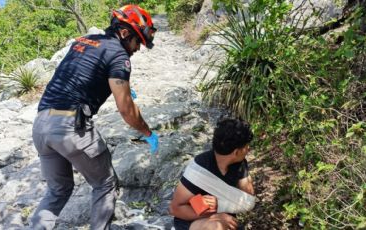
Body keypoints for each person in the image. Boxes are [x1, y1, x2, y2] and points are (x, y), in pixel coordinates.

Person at [30, 4, 158, 230]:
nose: (137, 48)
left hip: (41, 125)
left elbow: (80, 75)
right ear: (125, 32)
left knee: (58, 190)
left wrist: (116, 87)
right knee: (105, 183)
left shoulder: (83, 41)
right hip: (71, 127)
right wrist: (147, 132)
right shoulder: (119, 55)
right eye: (138, 41)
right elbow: (127, 110)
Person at [169, 118, 255, 230]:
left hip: (224, 217)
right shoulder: (200, 168)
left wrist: (220, 205)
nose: (249, 149)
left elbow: (248, 200)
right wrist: (214, 215)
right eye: (247, 146)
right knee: (216, 227)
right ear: (236, 152)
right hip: (191, 220)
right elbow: (175, 209)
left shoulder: (239, 163)